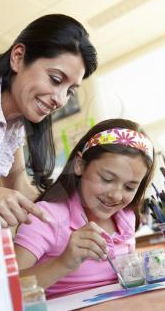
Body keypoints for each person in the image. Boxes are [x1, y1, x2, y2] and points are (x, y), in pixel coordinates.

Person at [0, 14, 97, 227]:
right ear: (18, 57)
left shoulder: (13, 125)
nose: (60, 100)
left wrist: (77, 211)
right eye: (55, 79)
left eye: (70, 91)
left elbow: (19, 185)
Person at [14, 118, 155, 298]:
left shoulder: (126, 217)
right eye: (107, 179)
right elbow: (5, 288)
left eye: (129, 187)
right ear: (80, 165)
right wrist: (63, 263)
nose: (116, 195)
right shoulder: (45, 217)